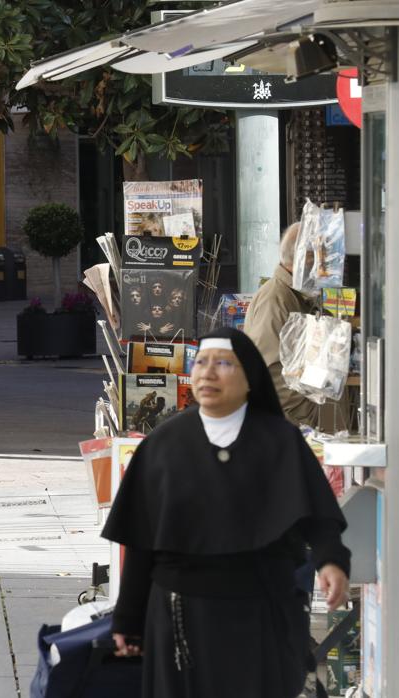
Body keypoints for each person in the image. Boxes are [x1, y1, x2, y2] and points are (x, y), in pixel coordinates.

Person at [102, 327, 350, 698]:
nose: (208, 373)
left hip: (261, 614)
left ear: (250, 377)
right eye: (201, 363)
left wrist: (331, 562)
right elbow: (141, 540)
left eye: (223, 364)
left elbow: (317, 516)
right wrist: (127, 618)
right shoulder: (164, 444)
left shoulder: (280, 441)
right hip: (181, 618)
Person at [244, 223, 352, 432]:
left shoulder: (299, 295)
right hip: (298, 427)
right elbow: (270, 376)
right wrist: (312, 417)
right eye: (324, 260)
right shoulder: (276, 300)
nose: (327, 270)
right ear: (305, 260)